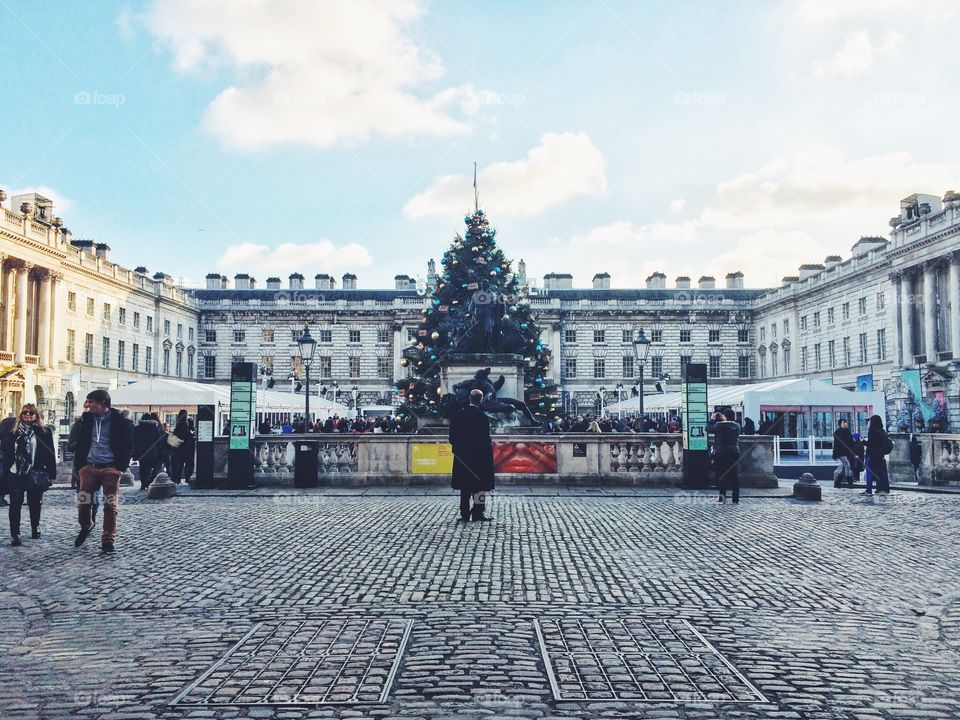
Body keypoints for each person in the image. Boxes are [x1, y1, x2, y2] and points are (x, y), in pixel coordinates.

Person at [74, 389, 133, 553]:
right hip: (89, 468)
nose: (88, 405)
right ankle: (86, 525)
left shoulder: (119, 421)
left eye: (91, 401)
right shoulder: (86, 420)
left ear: (102, 404)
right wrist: (80, 467)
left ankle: (108, 539)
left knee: (110, 505)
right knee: (84, 502)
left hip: (110, 469)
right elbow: (80, 443)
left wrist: (120, 468)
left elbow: (128, 445)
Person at [3, 404, 57, 546]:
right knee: (15, 504)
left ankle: (35, 527)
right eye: (25, 413)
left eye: (31, 413)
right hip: (15, 472)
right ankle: (15, 534)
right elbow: (6, 451)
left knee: (35, 503)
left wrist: (51, 474)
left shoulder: (43, 432)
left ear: (36, 415)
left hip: (35, 472)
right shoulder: (13, 431)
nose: (28, 415)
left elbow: (50, 453)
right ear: (21, 415)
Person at [448, 388, 494, 522]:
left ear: (469, 398)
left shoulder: (457, 416)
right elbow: (485, 440)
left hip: (462, 457)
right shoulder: (483, 417)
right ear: (481, 400)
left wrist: (459, 450)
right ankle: (478, 513)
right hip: (479, 459)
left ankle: (464, 514)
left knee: (465, 487)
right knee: (479, 488)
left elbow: (452, 438)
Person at [711, 409, 741, 504]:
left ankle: (722, 498)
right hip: (734, 451)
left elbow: (708, 429)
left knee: (722, 475)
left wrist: (712, 419)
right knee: (734, 475)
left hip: (721, 452)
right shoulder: (737, 426)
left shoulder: (719, 425)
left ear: (725, 416)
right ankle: (735, 498)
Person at [132, 412, 164, 490]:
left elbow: (134, 441)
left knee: (143, 468)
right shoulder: (154, 428)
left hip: (141, 453)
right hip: (153, 452)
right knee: (154, 467)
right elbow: (158, 441)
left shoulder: (137, 428)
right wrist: (158, 449)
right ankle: (150, 482)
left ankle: (143, 484)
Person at [864, 414, 892, 496]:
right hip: (880, 455)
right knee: (879, 473)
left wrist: (863, 442)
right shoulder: (882, 431)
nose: (869, 422)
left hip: (872, 455)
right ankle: (879, 489)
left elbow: (871, 444)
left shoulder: (872, 431)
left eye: (870, 421)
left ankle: (868, 490)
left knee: (869, 472)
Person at [170, 410, 194, 484]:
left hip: (179, 448)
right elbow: (188, 434)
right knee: (188, 464)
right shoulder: (184, 424)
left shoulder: (178, 424)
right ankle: (187, 478)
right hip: (186, 447)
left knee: (180, 464)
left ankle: (178, 479)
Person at [832, 419, 857, 488]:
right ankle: (850, 482)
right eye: (844, 422)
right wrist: (835, 455)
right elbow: (837, 444)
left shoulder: (848, 431)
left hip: (847, 452)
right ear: (840, 424)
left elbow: (851, 443)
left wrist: (854, 452)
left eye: (846, 422)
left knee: (844, 467)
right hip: (840, 453)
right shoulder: (837, 432)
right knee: (847, 465)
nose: (845, 424)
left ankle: (837, 483)